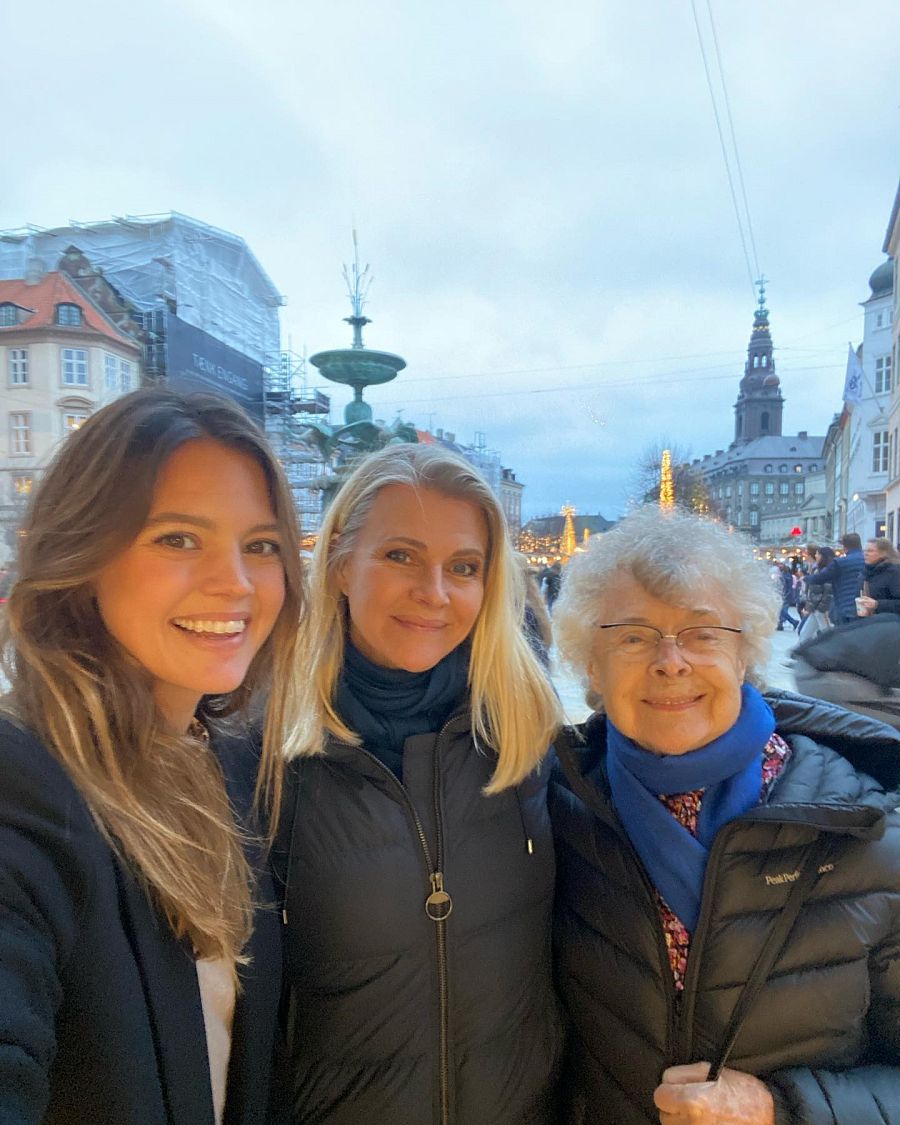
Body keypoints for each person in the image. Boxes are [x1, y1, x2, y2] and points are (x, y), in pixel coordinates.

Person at [0, 388, 304, 1125]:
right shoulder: (25, 783)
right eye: (178, 537)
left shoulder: (226, 765)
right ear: (81, 554)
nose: (234, 581)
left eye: (260, 545)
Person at [550, 504, 900, 1124]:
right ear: (591, 667)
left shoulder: (867, 828)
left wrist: (783, 1110)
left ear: (746, 656)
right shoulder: (555, 813)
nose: (670, 661)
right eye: (632, 636)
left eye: (702, 633)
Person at [278, 443, 564, 1125]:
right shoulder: (267, 750)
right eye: (400, 555)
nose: (434, 592)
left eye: (463, 567)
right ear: (343, 564)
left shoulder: (527, 728)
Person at [806, 531, 865, 624]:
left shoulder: (840, 563)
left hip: (845, 606)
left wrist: (806, 578)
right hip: (864, 607)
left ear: (845, 548)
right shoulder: (868, 560)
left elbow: (819, 578)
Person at [798, 545, 834, 640]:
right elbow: (812, 591)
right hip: (816, 609)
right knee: (804, 634)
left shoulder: (827, 571)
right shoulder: (817, 569)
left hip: (821, 609)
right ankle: (802, 652)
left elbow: (827, 592)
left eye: (818, 554)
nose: (816, 556)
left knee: (827, 634)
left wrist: (822, 608)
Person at [857, 537, 900, 616]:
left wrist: (877, 604)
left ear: (884, 553)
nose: (865, 554)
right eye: (865, 551)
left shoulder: (894, 572)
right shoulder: (866, 572)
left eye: (870, 551)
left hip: (890, 623)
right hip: (868, 621)